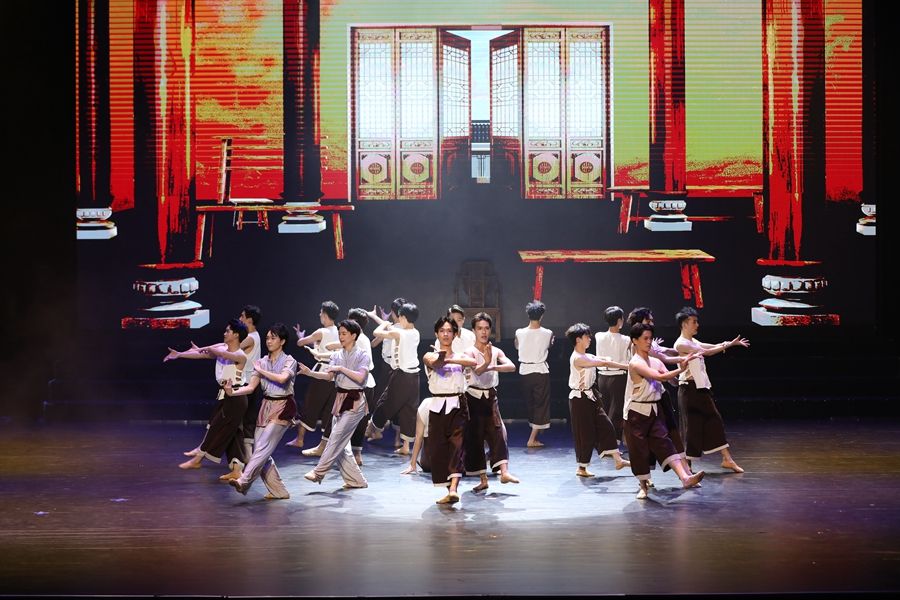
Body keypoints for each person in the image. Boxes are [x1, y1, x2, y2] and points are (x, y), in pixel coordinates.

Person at [625, 322, 705, 499]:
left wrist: (683, 364)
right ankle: (643, 486)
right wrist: (680, 368)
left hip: (654, 410)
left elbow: (667, 374)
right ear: (635, 341)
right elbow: (660, 376)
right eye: (645, 338)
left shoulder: (654, 361)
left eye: (650, 338)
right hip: (636, 413)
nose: (649, 342)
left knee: (666, 443)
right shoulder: (635, 363)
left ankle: (685, 478)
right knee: (639, 451)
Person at [165, 320, 249, 474]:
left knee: (216, 428)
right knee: (233, 433)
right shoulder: (222, 348)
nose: (224, 333)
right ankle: (237, 469)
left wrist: (207, 348)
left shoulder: (240, 355)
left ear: (236, 335)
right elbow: (202, 354)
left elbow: (221, 353)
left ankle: (197, 460)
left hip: (236, 397)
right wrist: (180, 354)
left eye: (228, 331)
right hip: (225, 394)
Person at [224, 323, 297, 500]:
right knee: (260, 450)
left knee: (262, 447)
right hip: (266, 407)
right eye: (267, 338)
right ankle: (279, 491)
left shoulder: (289, 361)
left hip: (283, 406)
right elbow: (250, 387)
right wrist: (233, 391)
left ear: (282, 341)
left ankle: (244, 481)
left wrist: (261, 370)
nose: (269, 341)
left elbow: (282, 379)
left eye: (273, 338)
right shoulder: (261, 362)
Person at [674, 307, 749, 473]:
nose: (697, 325)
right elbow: (706, 352)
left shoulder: (692, 341)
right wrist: (728, 345)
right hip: (688, 389)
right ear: (684, 324)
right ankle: (688, 465)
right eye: (694, 322)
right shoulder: (681, 343)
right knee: (691, 427)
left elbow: (707, 346)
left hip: (700, 388)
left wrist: (728, 343)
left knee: (714, 420)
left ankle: (727, 459)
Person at [297, 319, 370, 489]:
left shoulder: (363, 355)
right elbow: (329, 376)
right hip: (340, 399)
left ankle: (319, 472)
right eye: (339, 333)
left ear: (354, 335)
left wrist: (341, 369)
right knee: (342, 445)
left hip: (355, 401)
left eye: (344, 333)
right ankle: (356, 480)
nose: (341, 336)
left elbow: (361, 378)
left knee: (336, 436)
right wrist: (310, 373)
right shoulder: (336, 355)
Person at [422, 316, 477, 505]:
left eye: (449, 331)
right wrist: (442, 357)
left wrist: (449, 357)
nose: (445, 334)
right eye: (442, 331)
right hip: (437, 406)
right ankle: (449, 490)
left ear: (454, 334)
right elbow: (436, 363)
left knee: (457, 446)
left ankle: (454, 488)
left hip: (457, 404)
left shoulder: (461, 356)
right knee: (438, 449)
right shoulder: (429, 356)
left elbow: (472, 362)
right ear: (436, 334)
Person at [463, 312, 520, 492]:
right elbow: (477, 371)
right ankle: (483, 479)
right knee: (476, 437)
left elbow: (511, 366)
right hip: (473, 398)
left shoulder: (495, 351)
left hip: (490, 397)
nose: (484, 332)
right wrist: (486, 362)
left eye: (487, 328)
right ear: (474, 331)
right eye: (480, 328)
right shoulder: (469, 352)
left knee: (498, 433)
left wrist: (492, 364)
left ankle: (504, 472)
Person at [566, 323, 630, 477]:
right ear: (578, 339)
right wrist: (628, 367)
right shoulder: (577, 358)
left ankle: (618, 460)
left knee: (607, 426)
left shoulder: (587, 356)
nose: (590, 339)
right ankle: (581, 467)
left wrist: (610, 359)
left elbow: (602, 359)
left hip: (590, 397)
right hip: (579, 399)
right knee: (585, 433)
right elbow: (604, 363)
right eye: (587, 336)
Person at [366, 302, 421, 455]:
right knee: (408, 410)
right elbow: (394, 329)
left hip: (402, 376)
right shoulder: (415, 332)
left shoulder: (400, 333)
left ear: (403, 317)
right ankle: (405, 446)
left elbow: (377, 332)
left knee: (385, 403)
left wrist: (384, 323)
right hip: (414, 377)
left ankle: (373, 428)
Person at [288, 300, 340, 455]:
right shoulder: (339, 331)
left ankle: (300, 439)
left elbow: (300, 343)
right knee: (329, 409)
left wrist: (301, 337)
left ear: (325, 315)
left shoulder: (321, 331)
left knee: (310, 404)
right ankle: (326, 444)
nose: (319, 315)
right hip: (335, 373)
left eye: (321, 312)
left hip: (321, 372)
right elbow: (320, 348)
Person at [514, 301, 554, 448]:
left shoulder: (519, 332)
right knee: (540, 404)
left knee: (531, 403)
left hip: (525, 371)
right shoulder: (548, 333)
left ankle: (536, 430)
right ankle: (533, 437)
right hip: (540, 372)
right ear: (541, 316)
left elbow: (517, 346)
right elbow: (550, 345)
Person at [369, 298, 406, 449]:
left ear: (393, 312)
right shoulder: (392, 327)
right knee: (382, 400)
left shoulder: (400, 328)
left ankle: (392, 437)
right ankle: (378, 431)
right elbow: (374, 343)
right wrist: (383, 323)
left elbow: (376, 339)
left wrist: (376, 318)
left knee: (394, 402)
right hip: (387, 367)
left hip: (395, 367)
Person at [594, 306, 631, 449]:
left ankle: (604, 441)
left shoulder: (599, 336)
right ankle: (612, 443)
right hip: (618, 377)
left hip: (602, 378)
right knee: (616, 412)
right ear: (620, 320)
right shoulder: (626, 339)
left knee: (604, 409)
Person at [234, 304, 263, 479]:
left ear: (249, 320)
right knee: (247, 419)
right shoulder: (254, 336)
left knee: (244, 419)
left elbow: (232, 347)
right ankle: (247, 457)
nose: (240, 318)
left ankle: (246, 458)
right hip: (250, 382)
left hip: (247, 383)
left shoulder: (251, 338)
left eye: (242, 316)